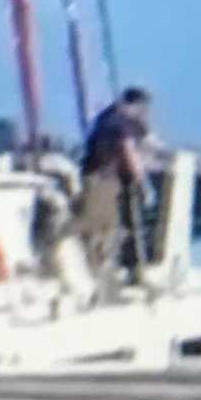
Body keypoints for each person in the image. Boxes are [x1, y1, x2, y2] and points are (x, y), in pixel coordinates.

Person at [75, 86, 155, 289]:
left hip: (97, 177)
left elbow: (148, 140)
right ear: (136, 105)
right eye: (143, 109)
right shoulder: (119, 123)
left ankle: (103, 272)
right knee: (105, 228)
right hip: (103, 180)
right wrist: (143, 184)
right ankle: (100, 276)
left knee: (104, 228)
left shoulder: (110, 117)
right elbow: (128, 153)